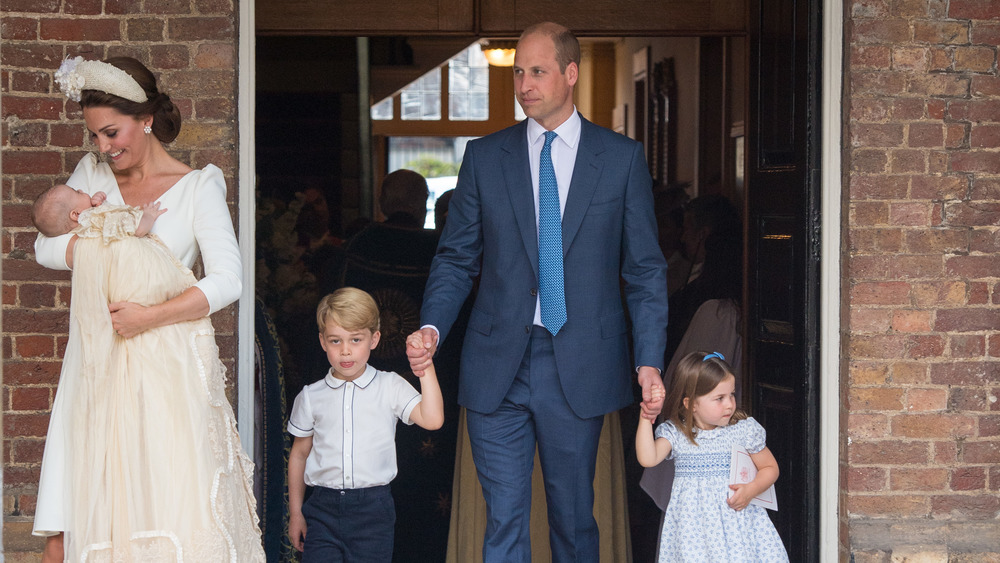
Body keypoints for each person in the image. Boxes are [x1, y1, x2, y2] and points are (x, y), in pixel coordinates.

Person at [408, 22, 668, 562]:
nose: (524, 83)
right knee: (503, 520)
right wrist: (433, 326)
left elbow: (644, 271)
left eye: (537, 71)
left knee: (573, 520)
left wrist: (648, 360)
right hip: (495, 360)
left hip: (579, 361)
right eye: (518, 72)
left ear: (570, 74)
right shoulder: (485, 157)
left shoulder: (620, 159)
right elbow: (457, 256)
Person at [34, 55, 262, 562]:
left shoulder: (199, 185)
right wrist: (103, 244)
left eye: (112, 133)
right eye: (95, 137)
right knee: (71, 523)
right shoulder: (91, 175)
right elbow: (45, 247)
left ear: (147, 120)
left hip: (162, 364)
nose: (103, 148)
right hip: (95, 362)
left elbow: (228, 281)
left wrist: (148, 317)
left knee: (162, 503)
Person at [286, 288, 444, 561]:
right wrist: (296, 513)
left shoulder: (390, 385)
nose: (345, 350)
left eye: (356, 339)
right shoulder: (311, 396)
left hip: (373, 511)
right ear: (322, 341)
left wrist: (424, 366)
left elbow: (433, 419)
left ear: (375, 339)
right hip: (322, 509)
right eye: (335, 341)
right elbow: (299, 454)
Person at [635, 351, 788, 562]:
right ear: (691, 404)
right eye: (719, 398)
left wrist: (750, 490)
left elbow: (770, 468)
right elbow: (648, 458)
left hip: (737, 526)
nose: (729, 404)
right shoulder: (678, 433)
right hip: (694, 533)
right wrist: (646, 417)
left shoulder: (741, 430)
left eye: (731, 395)